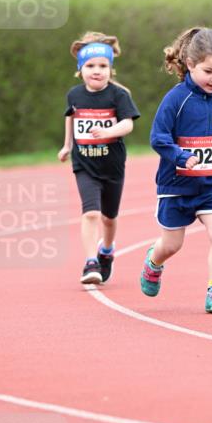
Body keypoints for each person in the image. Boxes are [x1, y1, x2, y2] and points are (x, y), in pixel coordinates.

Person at [141, 27, 212, 314]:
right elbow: (158, 138)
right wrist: (180, 157)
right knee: (172, 245)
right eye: (209, 71)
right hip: (176, 186)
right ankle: (153, 262)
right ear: (191, 64)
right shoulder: (175, 100)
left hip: (210, 186)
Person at [59, 32, 140, 284]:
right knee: (91, 213)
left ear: (111, 69)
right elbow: (70, 117)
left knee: (109, 217)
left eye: (103, 66)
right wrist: (67, 145)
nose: (97, 71)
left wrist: (108, 131)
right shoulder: (74, 95)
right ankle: (90, 261)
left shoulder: (118, 95)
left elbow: (128, 125)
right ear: (80, 69)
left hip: (112, 164)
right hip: (84, 165)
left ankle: (106, 250)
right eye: (91, 66)